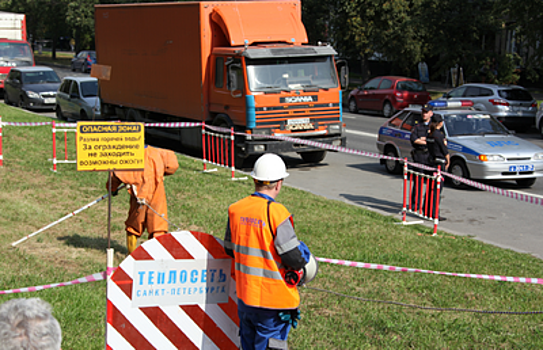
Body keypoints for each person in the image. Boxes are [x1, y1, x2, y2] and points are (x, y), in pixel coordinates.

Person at [224, 153, 312, 350]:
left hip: (246, 297)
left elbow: (229, 249)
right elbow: (294, 258)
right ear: (279, 184)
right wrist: (304, 253)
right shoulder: (277, 213)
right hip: (274, 301)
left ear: (255, 180)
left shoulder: (236, 209)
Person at [107, 145, 179, 253]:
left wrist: (112, 188)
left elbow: (116, 175)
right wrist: (160, 171)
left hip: (139, 194)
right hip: (156, 192)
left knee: (134, 225)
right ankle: (155, 257)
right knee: (157, 226)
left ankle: (132, 255)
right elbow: (172, 165)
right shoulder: (159, 149)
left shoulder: (128, 153)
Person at [409, 103, 433, 211]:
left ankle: (427, 205)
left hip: (429, 155)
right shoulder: (417, 126)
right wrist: (424, 140)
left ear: (431, 113)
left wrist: (424, 140)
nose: (424, 114)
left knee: (430, 182)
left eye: (426, 112)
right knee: (418, 180)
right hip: (419, 155)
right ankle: (415, 204)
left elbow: (436, 140)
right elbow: (414, 139)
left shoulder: (434, 126)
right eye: (423, 112)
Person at [427, 114, 450, 221]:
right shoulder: (438, 135)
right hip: (439, 164)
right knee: (437, 189)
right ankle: (434, 213)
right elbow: (444, 150)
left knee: (430, 188)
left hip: (431, 162)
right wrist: (448, 160)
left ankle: (427, 210)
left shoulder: (430, 134)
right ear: (440, 123)